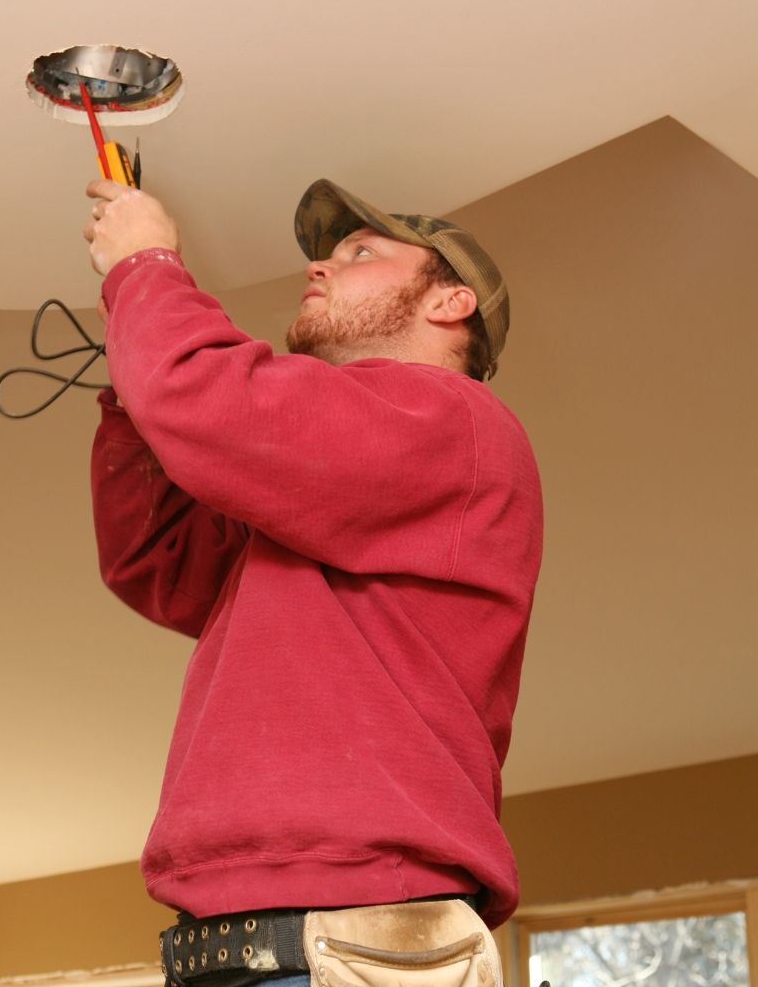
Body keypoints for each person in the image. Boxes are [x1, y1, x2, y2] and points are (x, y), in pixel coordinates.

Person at [82, 176, 543, 987]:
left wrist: (147, 269)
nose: (320, 269)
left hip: (353, 940)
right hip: (246, 940)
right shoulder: (326, 493)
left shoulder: (454, 421)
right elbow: (160, 564)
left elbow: (210, 405)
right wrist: (135, 370)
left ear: (451, 304)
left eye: (362, 252)